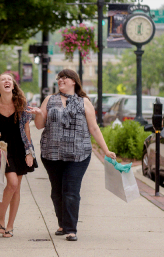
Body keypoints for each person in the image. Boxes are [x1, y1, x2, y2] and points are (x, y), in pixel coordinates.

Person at [27, 69, 116, 242]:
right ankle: (62, 223)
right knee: (57, 192)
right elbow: (39, 126)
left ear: (74, 81)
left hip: (78, 154)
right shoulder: (49, 100)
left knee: (71, 191)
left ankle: (71, 229)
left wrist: (106, 150)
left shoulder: (84, 102)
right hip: (51, 153)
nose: (60, 80)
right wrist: (38, 114)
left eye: (64, 78)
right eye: (59, 78)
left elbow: (94, 128)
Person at [0, 73, 36, 238]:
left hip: (20, 148)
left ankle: (10, 225)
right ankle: (1, 218)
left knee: (16, 188)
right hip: (3, 149)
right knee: (12, 183)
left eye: (10, 79)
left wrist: (29, 152)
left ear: (13, 86)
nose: (7, 81)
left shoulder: (21, 103)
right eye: (3, 80)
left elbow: (27, 130)